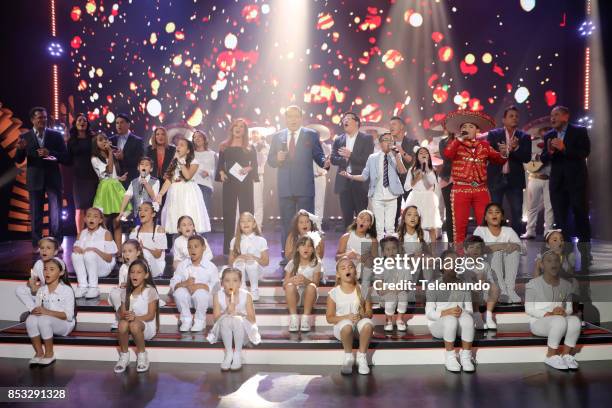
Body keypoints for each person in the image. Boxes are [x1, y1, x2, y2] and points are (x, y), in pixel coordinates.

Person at [267, 106, 329, 262]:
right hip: (285, 187)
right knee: (287, 223)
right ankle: (288, 255)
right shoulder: (277, 137)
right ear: (285, 119)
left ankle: (309, 254)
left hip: (305, 187)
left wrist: (325, 162)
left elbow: (319, 156)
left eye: (296, 116)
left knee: (307, 224)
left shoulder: (311, 135)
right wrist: (277, 158)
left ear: (301, 118)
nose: (293, 120)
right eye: (290, 117)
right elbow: (270, 161)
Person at [442, 110, 507, 246]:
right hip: (460, 189)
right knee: (459, 226)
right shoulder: (455, 145)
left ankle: (487, 256)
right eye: (464, 127)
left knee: (485, 225)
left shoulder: (484, 146)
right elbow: (447, 154)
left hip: (481, 190)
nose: (467, 129)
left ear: (477, 130)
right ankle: (458, 257)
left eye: (471, 126)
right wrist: (458, 140)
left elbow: (499, 160)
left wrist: (504, 153)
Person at [540, 106, 591, 270]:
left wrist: (564, 148)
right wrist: (550, 152)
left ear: (565, 117)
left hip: (576, 182)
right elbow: (543, 158)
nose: (552, 118)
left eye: (556, 115)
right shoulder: (549, 135)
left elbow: (585, 152)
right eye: (551, 115)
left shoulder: (579, 131)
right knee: (561, 220)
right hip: (558, 184)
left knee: (580, 215)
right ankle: (567, 254)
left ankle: (585, 253)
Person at [15, 107, 68, 250]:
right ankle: (37, 244)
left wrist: (50, 152)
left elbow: (66, 157)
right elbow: (19, 160)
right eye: (39, 118)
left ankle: (56, 243)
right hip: (35, 179)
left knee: (55, 213)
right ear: (32, 119)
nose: (42, 120)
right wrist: (19, 149)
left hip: (53, 178)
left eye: (44, 117)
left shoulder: (56, 136)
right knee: (36, 214)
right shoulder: (24, 137)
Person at [341, 132, 407, 238]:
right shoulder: (372, 158)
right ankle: (380, 252)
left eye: (391, 140)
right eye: (386, 140)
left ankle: (390, 252)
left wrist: (398, 157)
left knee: (390, 227)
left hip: (392, 195)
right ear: (380, 143)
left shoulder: (395, 156)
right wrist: (351, 176)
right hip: (377, 196)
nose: (389, 142)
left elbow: (403, 171)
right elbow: (364, 176)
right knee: (379, 227)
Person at [525, 250, 581, 371]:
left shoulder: (566, 285)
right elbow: (529, 309)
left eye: (556, 261)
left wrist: (564, 312)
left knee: (575, 321)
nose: (553, 264)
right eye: (549, 261)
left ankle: (566, 355)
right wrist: (549, 313)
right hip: (539, 322)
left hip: (559, 318)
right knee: (558, 321)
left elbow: (569, 309)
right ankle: (551, 355)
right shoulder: (533, 284)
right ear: (542, 265)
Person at [425, 250, 475, 372]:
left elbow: (469, 310)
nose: (452, 265)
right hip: (439, 326)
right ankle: (450, 356)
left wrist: (462, 311)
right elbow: (429, 314)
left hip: (459, 324)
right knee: (450, 319)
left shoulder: (464, 284)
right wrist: (445, 313)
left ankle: (466, 356)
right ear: (442, 265)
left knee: (468, 319)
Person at [486, 106, 532, 235]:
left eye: (516, 116)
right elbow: (488, 155)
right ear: (504, 119)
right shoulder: (494, 134)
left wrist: (515, 149)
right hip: (496, 178)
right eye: (511, 116)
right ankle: (495, 239)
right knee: (494, 211)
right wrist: (499, 153)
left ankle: (515, 240)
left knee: (517, 211)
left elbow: (527, 158)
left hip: (515, 180)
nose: (514, 118)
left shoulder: (524, 137)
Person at [216, 119, 258, 254]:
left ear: (245, 131)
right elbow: (221, 164)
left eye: (241, 127)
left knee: (247, 211)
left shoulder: (250, 147)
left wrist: (248, 168)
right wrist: (221, 173)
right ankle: (229, 247)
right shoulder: (224, 146)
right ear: (232, 128)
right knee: (229, 213)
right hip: (229, 182)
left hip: (245, 182)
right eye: (236, 126)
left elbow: (255, 165)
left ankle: (248, 245)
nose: (238, 128)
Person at [326, 257, 374, 375]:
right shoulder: (334, 293)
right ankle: (348, 357)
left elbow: (370, 313)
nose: (347, 269)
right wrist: (346, 317)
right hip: (342, 328)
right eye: (343, 268)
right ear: (338, 274)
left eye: (350, 267)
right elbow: (330, 318)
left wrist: (362, 315)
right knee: (347, 325)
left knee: (368, 324)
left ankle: (361, 357)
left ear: (355, 272)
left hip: (358, 327)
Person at [208, 267, 261, 371]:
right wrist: (226, 311)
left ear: (240, 283)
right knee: (226, 320)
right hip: (223, 328)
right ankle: (228, 354)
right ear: (222, 283)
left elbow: (252, 320)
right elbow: (216, 319)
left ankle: (237, 354)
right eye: (227, 281)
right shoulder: (217, 295)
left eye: (235, 281)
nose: (231, 284)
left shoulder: (246, 295)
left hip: (243, 328)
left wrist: (238, 313)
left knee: (236, 319)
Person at [25, 258, 76, 367]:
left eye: (51, 269)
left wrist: (45, 312)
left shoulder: (66, 290)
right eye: (45, 269)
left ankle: (49, 354)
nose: (47, 272)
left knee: (44, 319)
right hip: (47, 320)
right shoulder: (42, 290)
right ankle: (39, 353)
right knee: (30, 319)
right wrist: (36, 311)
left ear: (61, 272)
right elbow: (39, 308)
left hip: (65, 324)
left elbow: (68, 316)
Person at [113, 259, 160, 373]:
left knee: (134, 325)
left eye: (139, 272)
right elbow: (124, 314)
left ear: (146, 275)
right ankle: (124, 356)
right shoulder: (126, 292)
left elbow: (150, 316)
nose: (135, 275)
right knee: (122, 324)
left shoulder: (150, 291)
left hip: (147, 326)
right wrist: (124, 314)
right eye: (132, 272)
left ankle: (142, 356)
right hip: (132, 324)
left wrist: (135, 318)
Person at [157, 137, 211, 234]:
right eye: (178, 145)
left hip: (188, 192)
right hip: (175, 192)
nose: (178, 147)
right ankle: (177, 246)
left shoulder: (194, 162)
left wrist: (180, 161)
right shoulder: (174, 162)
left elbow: (187, 176)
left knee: (187, 215)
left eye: (182, 145)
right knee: (175, 220)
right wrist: (160, 194)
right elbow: (169, 180)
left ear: (188, 150)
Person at [331, 112, 375, 228]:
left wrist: (351, 155)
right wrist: (344, 160)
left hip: (360, 182)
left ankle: (363, 244)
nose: (345, 120)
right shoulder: (338, 140)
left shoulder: (366, 138)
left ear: (356, 122)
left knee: (362, 217)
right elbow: (333, 158)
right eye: (344, 119)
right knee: (347, 217)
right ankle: (347, 244)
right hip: (343, 182)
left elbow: (367, 159)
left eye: (348, 118)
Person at [474, 203, 523, 304]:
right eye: (490, 212)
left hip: (505, 265)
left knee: (515, 251)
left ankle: (510, 289)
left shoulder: (508, 230)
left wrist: (516, 246)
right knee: (495, 253)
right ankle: (501, 290)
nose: (494, 215)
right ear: (486, 217)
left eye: (497, 212)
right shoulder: (480, 230)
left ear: (502, 217)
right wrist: (498, 246)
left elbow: (523, 248)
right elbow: (476, 249)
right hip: (486, 268)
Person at [170, 235, 219, 332]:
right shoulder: (183, 265)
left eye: (196, 246)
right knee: (179, 292)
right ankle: (186, 319)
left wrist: (201, 286)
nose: (193, 249)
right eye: (190, 247)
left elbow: (216, 286)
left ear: (203, 248)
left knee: (200, 293)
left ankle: (200, 320)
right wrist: (184, 283)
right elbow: (174, 282)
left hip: (204, 299)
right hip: (188, 298)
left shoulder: (211, 266)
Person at [91, 132, 128, 249]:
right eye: (101, 140)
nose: (104, 142)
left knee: (117, 222)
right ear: (96, 144)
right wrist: (111, 153)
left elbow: (113, 174)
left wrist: (119, 178)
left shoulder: (111, 155)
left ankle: (119, 251)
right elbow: (109, 170)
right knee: (104, 222)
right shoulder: (95, 159)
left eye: (105, 139)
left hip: (116, 189)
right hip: (105, 191)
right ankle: (106, 249)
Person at [72, 207, 118, 298]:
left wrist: (95, 250)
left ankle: (93, 287)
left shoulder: (106, 234)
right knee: (75, 255)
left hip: (102, 267)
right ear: (85, 219)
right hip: (87, 268)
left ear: (100, 220)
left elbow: (109, 259)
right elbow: (77, 250)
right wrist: (76, 249)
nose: (91, 219)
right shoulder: (81, 233)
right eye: (89, 216)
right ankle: (82, 286)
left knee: (90, 254)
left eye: (95, 216)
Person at [67, 113, 98, 233]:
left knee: (92, 209)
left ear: (87, 124)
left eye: (84, 120)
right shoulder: (71, 141)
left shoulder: (93, 139)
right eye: (79, 120)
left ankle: (92, 235)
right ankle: (80, 237)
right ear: (75, 124)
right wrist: (55, 156)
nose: (82, 122)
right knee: (79, 208)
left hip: (92, 176)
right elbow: (68, 159)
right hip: (78, 178)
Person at [522, 124, 554, 239]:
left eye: (548, 130)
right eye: (544, 130)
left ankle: (548, 232)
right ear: (540, 132)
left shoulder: (554, 144)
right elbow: (526, 159)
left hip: (549, 179)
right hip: (534, 177)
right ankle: (530, 231)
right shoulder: (532, 143)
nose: (545, 132)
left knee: (550, 207)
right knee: (532, 206)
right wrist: (537, 158)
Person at [284, 236, 322, 332]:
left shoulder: (316, 263)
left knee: (311, 286)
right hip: (296, 296)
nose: (306, 248)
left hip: (309, 296)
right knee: (289, 286)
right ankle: (294, 319)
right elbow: (284, 284)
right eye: (303, 246)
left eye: (309, 246)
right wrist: (292, 280)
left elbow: (316, 284)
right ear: (297, 249)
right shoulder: (292, 263)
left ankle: (306, 319)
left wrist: (306, 281)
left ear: (313, 250)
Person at [336, 210, 378, 296]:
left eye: (367, 220)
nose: (363, 221)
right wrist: (346, 255)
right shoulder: (346, 237)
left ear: (370, 225)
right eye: (361, 218)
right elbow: (337, 257)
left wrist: (359, 257)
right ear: (356, 220)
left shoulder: (372, 240)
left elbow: (375, 261)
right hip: (348, 268)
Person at [228, 212, 269, 301]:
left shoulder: (261, 240)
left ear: (254, 224)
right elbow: (230, 262)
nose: (246, 223)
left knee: (251, 263)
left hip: (256, 271)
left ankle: (254, 290)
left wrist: (254, 258)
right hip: (240, 272)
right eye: (242, 221)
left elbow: (266, 262)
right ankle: (242, 289)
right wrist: (238, 258)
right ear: (239, 225)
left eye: (249, 221)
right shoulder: (234, 240)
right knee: (240, 263)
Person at [404, 147, 442, 242]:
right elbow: (407, 187)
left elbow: (431, 184)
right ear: (417, 156)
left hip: (428, 199)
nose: (423, 154)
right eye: (421, 153)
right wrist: (416, 178)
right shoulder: (412, 170)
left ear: (429, 156)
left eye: (426, 153)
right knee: (415, 226)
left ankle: (433, 253)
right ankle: (417, 251)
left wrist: (427, 169)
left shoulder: (432, 170)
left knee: (430, 227)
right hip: (415, 198)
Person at [15, 237, 60, 316]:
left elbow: (54, 287)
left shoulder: (58, 263)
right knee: (20, 289)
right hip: (42, 294)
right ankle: (34, 310)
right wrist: (31, 283)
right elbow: (32, 281)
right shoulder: (39, 263)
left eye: (48, 248)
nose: (44, 250)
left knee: (42, 294)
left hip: (56, 295)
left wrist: (38, 288)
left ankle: (44, 310)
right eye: (42, 248)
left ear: (55, 252)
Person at [463, 235, 500, 330]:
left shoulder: (485, 265)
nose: (475, 250)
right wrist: (475, 281)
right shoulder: (462, 264)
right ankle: (476, 315)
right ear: (465, 250)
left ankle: (488, 316)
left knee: (495, 287)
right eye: (471, 247)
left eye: (478, 247)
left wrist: (484, 281)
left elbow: (491, 282)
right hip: (469, 298)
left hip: (482, 296)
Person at [378, 235, 412, 332]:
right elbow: (380, 288)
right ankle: (388, 320)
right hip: (386, 294)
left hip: (400, 291)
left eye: (394, 248)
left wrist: (400, 288)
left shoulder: (405, 266)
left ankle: (400, 319)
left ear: (398, 250)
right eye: (388, 249)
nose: (391, 251)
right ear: (384, 252)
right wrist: (391, 289)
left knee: (403, 294)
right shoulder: (381, 266)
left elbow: (408, 283)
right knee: (391, 296)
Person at [389, 116, 418, 227]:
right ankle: (393, 238)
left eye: (394, 124)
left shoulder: (413, 142)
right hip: (393, 182)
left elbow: (414, 162)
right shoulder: (388, 143)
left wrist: (401, 151)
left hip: (408, 181)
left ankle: (414, 237)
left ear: (401, 127)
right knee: (393, 213)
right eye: (390, 124)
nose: (391, 127)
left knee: (412, 210)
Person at [109, 239, 144, 330]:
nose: (126, 254)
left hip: (139, 293)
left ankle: (127, 319)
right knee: (115, 292)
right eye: (124, 252)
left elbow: (144, 284)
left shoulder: (143, 266)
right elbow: (120, 284)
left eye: (130, 251)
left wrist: (130, 284)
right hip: (126, 292)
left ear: (138, 253)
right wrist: (123, 285)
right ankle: (121, 317)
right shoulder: (123, 267)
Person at [129, 202, 167, 278]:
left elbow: (158, 255)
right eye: (140, 210)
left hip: (156, 265)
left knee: (144, 252)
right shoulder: (135, 230)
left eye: (145, 210)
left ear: (153, 214)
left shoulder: (159, 230)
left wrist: (143, 248)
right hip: (138, 265)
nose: (141, 212)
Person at [117, 156, 160, 222]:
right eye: (142, 164)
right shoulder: (134, 182)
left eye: (147, 165)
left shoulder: (155, 181)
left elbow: (154, 197)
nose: (144, 167)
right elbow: (127, 196)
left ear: (151, 169)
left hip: (150, 215)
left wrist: (146, 184)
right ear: (138, 167)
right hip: (137, 214)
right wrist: (122, 211)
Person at [110, 113, 144, 188]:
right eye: (117, 123)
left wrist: (123, 157)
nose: (119, 125)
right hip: (115, 180)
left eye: (122, 122)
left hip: (131, 180)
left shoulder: (137, 141)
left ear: (128, 124)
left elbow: (140, 161)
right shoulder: (111, 140)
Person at [192, 130, 217, 219]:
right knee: (193, 212)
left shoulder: (212, 154)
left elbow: (216, 170)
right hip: (192, 185)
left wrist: (209, 172)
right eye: (195, 137)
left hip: (206, 186)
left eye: (199, 136)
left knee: (204, 212)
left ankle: (204, 233)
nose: (197, 138)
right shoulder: (191, 154)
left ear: (204, 139)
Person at [250, 129, 270, 229]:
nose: (254, 135)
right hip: (247, 177)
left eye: (256, 133)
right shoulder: (248, 146)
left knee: (258, 203)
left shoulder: (265, 146)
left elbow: (262, 161)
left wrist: (259, 149)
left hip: (258, 176)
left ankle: (258, 226)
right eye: (253, 133)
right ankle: (248, 226)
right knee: (248, 203)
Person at [437, 133, 454, 242]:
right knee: (449, 208)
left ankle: (460, 239)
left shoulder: (466, 139)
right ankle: (451, 240)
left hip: (462, 176)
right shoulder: (443, 142)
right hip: (447, 177)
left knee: (461, 209)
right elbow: (446, 156)